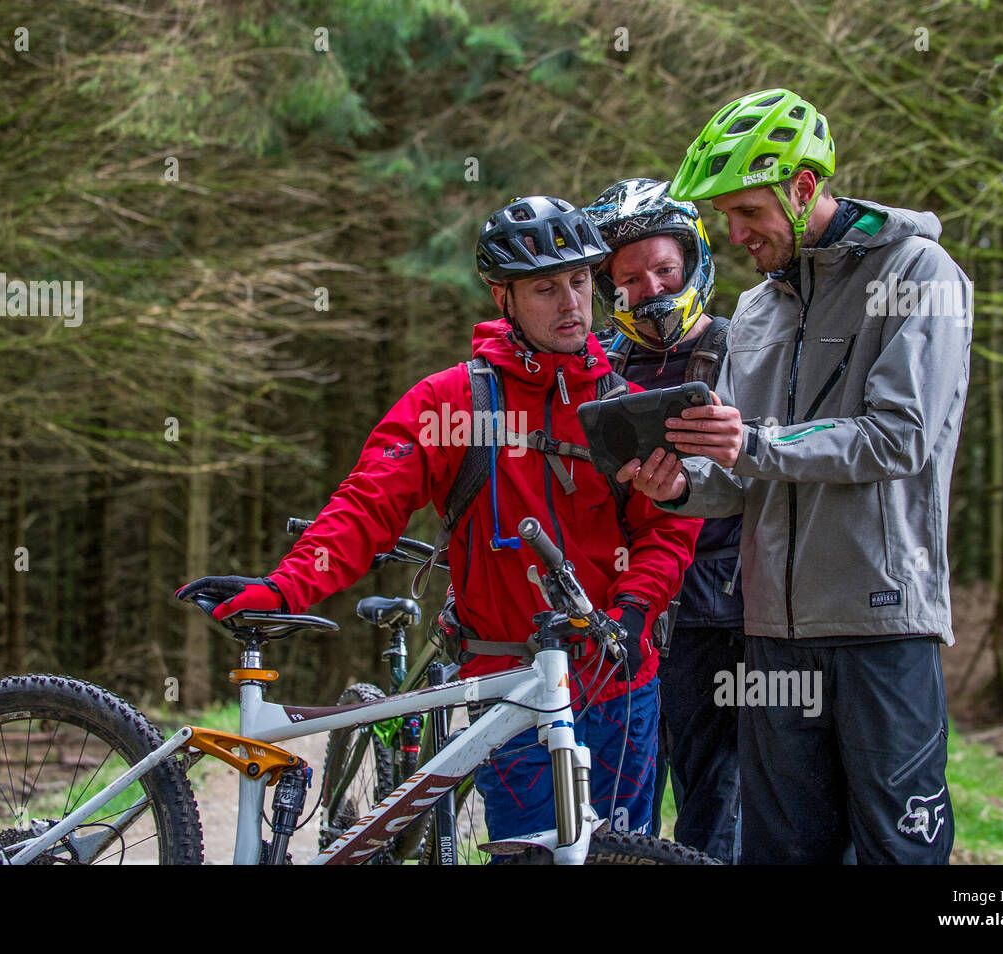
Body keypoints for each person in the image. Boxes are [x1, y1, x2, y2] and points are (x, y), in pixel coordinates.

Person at [178, 195, 699, 848]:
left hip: (621, 685)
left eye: (577, 281)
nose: (571, 303)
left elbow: (668, 531)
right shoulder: (454, 402)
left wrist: (632, 611)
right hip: (511, 691)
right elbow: (367, 507)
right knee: (533, 857)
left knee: (622, 860)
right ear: (501, 295)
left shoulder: (623, 405)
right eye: (545, 287)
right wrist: (286, 587)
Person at [621, 88, 971, 864]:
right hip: (771, 633)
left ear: (805, 187)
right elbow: (744, 475)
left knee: (895, 851)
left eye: (746, 212)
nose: (734, 234)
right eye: (725, 217)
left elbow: (899, 436)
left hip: (882, 621)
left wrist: (754, 441)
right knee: (780, 852)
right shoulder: (756, 310)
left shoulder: (920, 273)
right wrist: (679, 487)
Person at [584, 177, 744, 862]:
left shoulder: (749, 347)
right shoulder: (596, 363)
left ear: (691, 263)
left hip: (721, 604)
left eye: (663, 269)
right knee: (615, 809)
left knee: (717, 801)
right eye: (630, 279)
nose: (649, 288)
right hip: (619, 608)